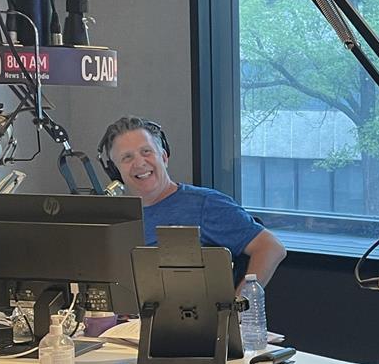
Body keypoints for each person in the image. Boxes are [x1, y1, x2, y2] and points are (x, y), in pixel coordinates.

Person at [98, 116, 286, 288]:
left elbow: (271, 247)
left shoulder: (205, 204)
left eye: (146, 152)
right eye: (127, 157)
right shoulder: (117, 220)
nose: (139, 163)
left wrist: (239, 307)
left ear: (164, 157)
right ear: (115, 172)